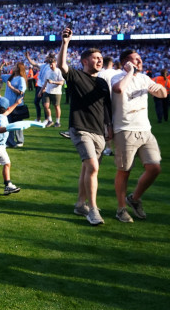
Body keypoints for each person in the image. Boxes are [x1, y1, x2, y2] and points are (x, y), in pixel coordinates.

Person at [57, 27, 112, 226]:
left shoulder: (103, 83)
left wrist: (110, 128)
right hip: (80, 129)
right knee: (93, 167)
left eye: (101, 58)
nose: (100, 60)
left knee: (86, 169)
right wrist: (65, 43)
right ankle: (93, 209)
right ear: (85, 61)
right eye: (96, 58)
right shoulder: (76, 76)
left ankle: (80, 204)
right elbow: (61, 65)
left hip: (99, 132)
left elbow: (106, 108)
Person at [110, 50, 166, 222]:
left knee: (155, 168)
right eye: (136, 59)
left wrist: (161, 89)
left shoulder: (144, 78)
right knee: (124, 171)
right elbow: (118, 89)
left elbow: (162, 94)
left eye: (140, 58)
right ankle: (121, 209)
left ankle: (134, 199)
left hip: (145, 129)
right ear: (126, 62)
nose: (141, 61)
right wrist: (130, 72)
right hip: (125, 130)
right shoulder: (117, 77)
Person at [38, 56, 64, 127]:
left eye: (52, 64)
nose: (51, 66)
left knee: (56, 106)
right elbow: (46, 82)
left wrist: (53, 82)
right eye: (50, 64)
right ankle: (50, 120)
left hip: (56, 92)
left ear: (55, 63)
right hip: (48, 91)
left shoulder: (59, 71)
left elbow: (62, 82)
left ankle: (58, 122)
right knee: (45, 106)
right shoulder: (48, 71)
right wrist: (41, 91)